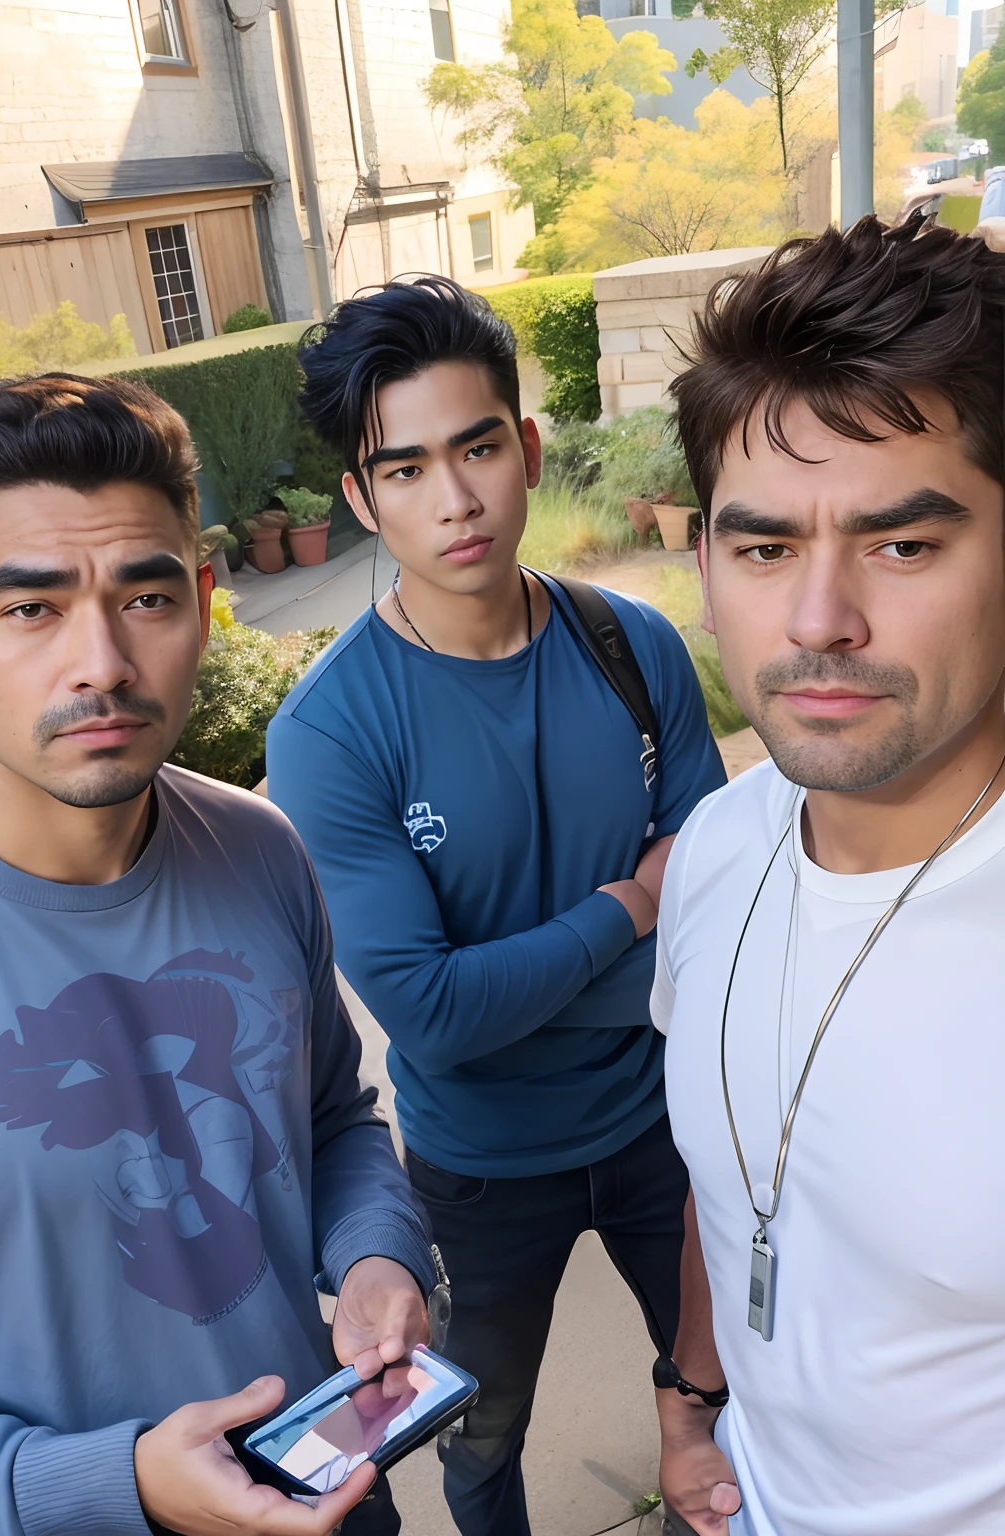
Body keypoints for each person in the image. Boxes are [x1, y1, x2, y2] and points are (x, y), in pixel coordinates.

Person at [0, 373, 437, 1536]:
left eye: (146, 596)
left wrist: (377, 1252)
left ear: (206, 602)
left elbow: (329, 1118)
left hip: (332, 1501)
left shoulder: (259, 844)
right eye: (30, 610)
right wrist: (112, 1485)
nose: (103, 662)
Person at [266, 276, 726, 1536]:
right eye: (404, 469)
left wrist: (555, 960)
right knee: (485, 1434)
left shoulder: (632, 647)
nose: (455, 499)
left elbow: (721, 909)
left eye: (476, 447)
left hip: (664, 1129)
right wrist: (629, 906)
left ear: (525, 448)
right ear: (360, 501)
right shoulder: (330, 732)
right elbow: (430, 1012)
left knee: (734, 1385)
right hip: (481, 1166)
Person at [652, 214, 1005, 1536]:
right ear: (702, 563)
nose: (818, 622)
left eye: (902, 545)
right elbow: (733, 1169)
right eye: (763, 549)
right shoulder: (720, 850)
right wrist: (690, 1399)